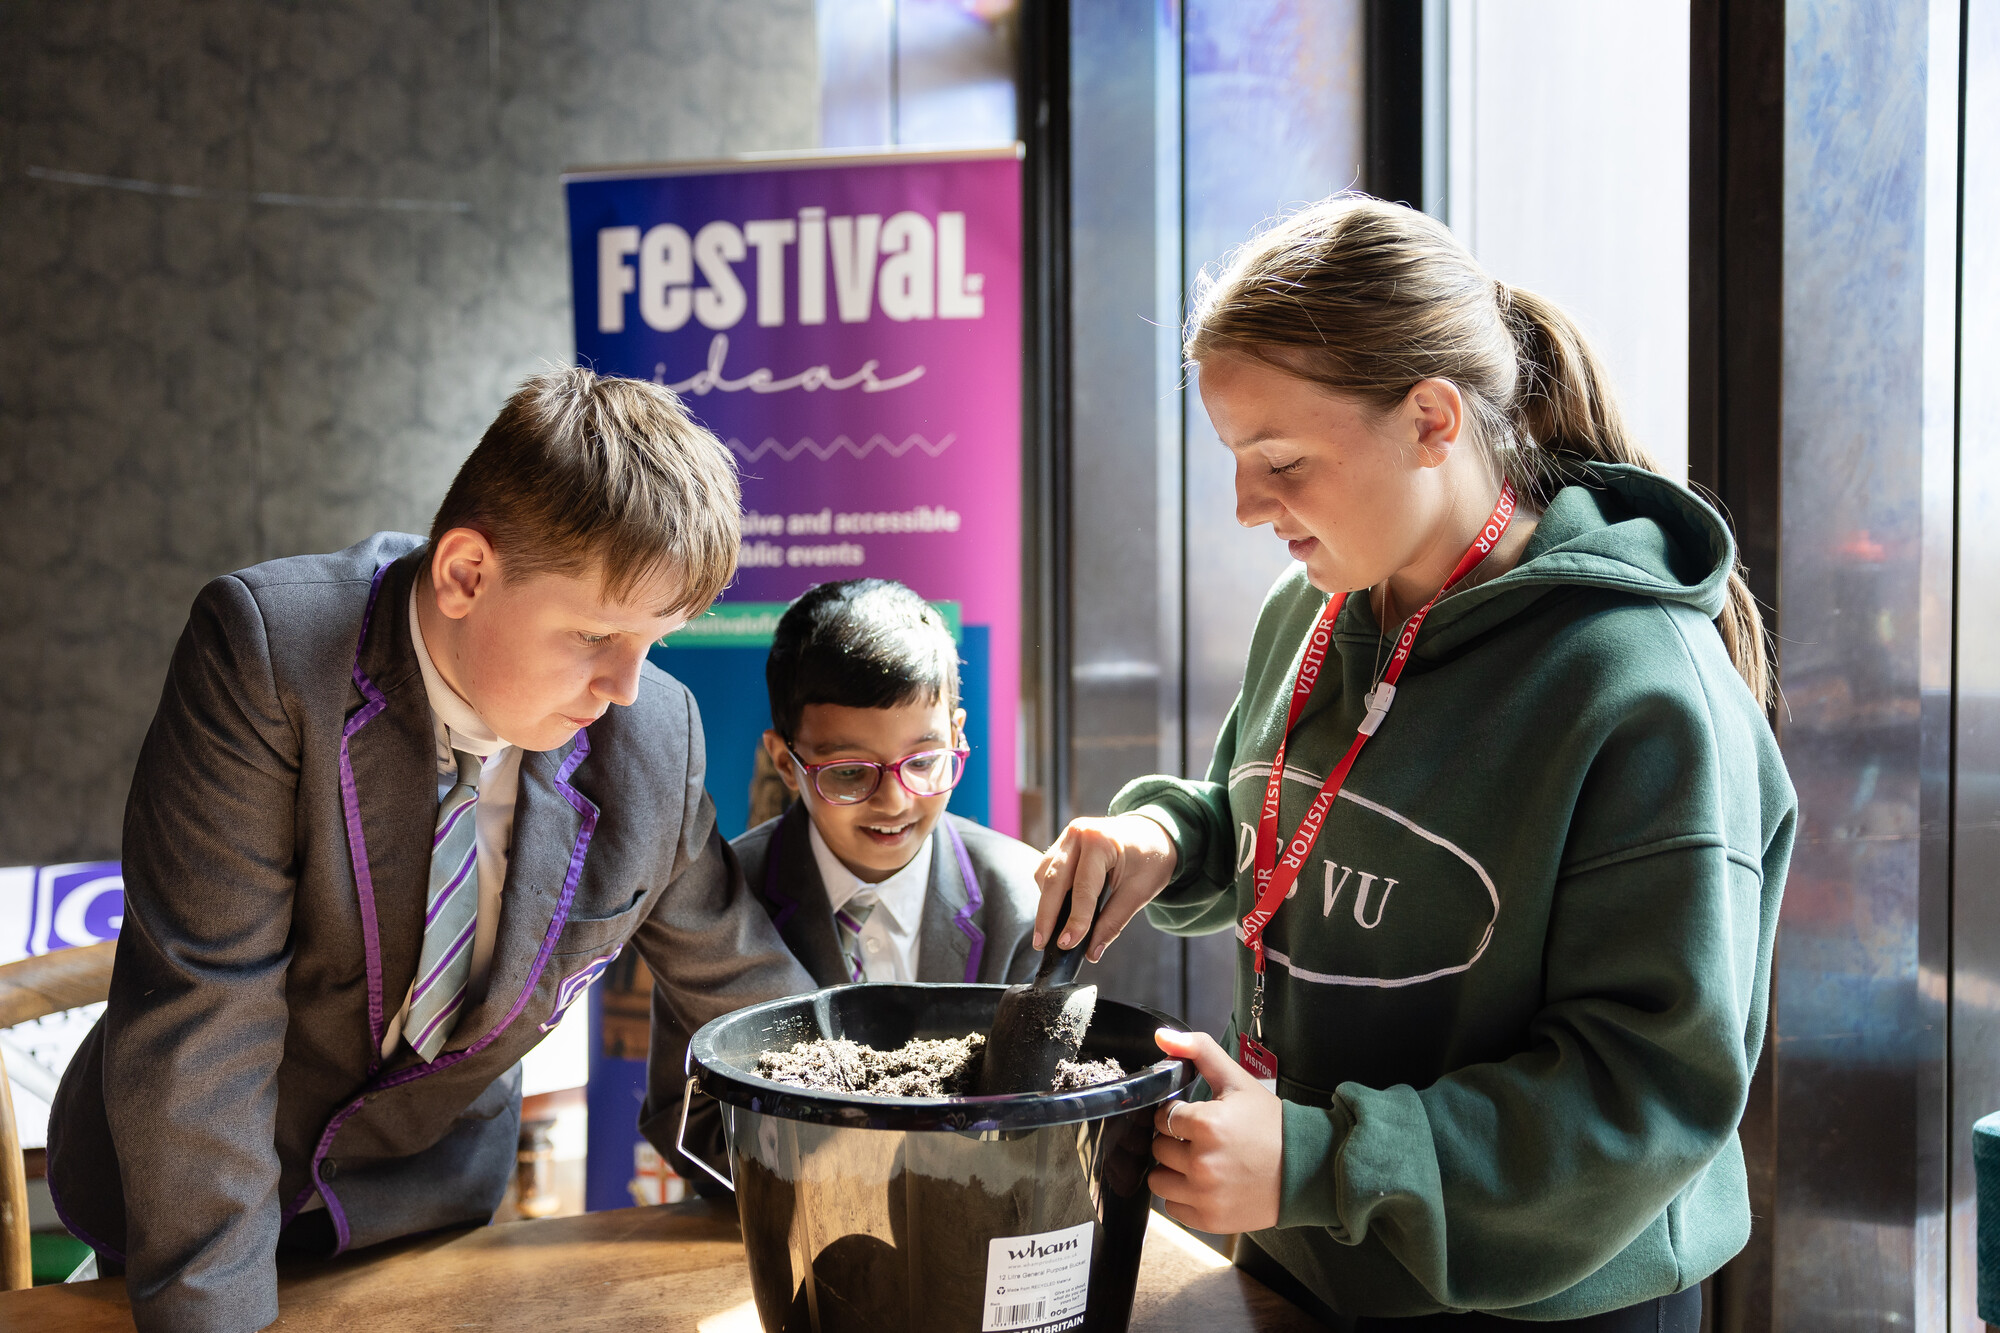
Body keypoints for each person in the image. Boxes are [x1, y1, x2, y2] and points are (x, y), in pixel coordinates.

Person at [1033, 197, 1795, 1331]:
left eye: (1279, 459)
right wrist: (1169, 839)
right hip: (1307, 1253)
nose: (1245, 506)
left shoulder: (1644, 691)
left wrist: (1318, 1160)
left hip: (1543, 1299)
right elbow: (1279, 811)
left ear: (1432, 418)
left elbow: (1639, 1096)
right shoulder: (1318, 605)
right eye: (1234, 459)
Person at [48, 368, 814, 1333]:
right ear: (465, 573)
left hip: (434, 1224)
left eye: (654, 643)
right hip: (184, 1227)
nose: (624, 687)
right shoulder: (270, 658)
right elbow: (208, 1023)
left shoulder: (656, 737)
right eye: (595, 635)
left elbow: (754, 996)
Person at [663, 578, 1045, 1185]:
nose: (894, 801)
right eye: (848, 773)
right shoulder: (720, 899)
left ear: (958, 733)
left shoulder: (1025, 901)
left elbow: (1039, 1122)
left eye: (923, 761)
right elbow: (683, 1118)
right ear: (786, 764)